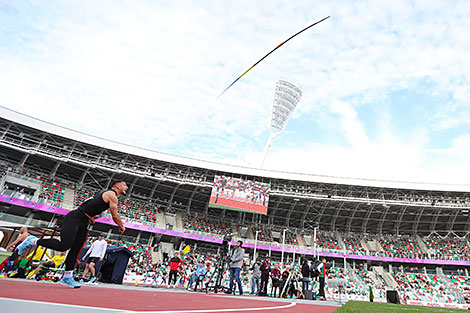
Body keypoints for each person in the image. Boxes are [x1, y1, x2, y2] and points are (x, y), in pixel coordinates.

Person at [15, 181, 128, 288]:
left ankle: (67, 277)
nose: (126, 187)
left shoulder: (105, 194)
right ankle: (33, 241)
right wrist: (121, 226)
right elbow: (115, 214)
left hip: (84, 221)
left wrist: (90, 217)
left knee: (76, 249)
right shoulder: (112, 195)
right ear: (117, 186)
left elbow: (89, 204)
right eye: (124, 185)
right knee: (64, 246)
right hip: (75, 218)